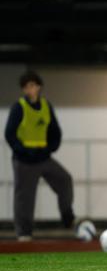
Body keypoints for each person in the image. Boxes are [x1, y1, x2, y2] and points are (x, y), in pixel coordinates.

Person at [4, 71, 76, 241]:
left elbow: (55, 132)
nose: (31, 89)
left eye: (34, 85)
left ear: (39, 87)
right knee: (25, 197)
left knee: (65, 179)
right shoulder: (19, 107)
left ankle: (68, 217)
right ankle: (24, 233)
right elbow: (9, 134)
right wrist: (23, 150)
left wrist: (50, 148)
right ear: (23, 89)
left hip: (43, 157)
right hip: (24, 161)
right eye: (27, 86)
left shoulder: (46, 106)